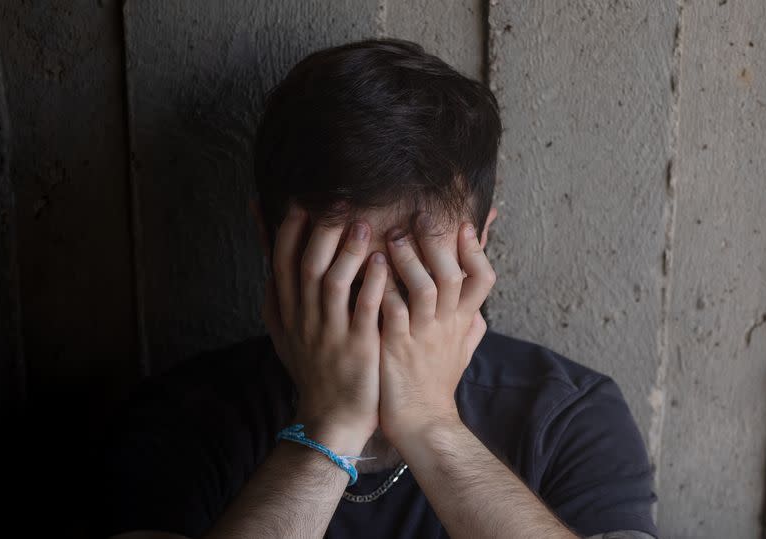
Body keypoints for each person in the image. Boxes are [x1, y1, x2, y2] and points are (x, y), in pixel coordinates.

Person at [101, 38, 658, 539]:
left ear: (482, 240)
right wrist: (329, 429)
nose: (377, 312)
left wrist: (430, 423)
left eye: (416, 277)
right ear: (268, 242)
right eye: (346, 277)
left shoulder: (566, 417)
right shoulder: (180, 421)